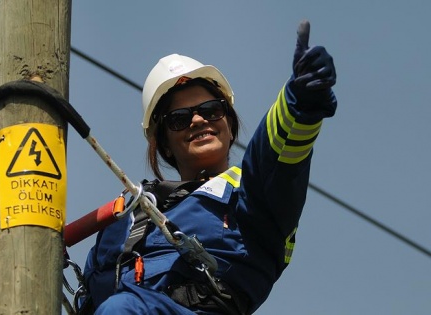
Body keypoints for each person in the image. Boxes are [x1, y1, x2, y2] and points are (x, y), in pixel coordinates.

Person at [82, 20, 337, 314]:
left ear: (229, 125)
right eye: (179, 118)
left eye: (211, 110)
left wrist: (298, 102)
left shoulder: (251, 194)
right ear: (164, 144)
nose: (199, 120)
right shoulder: (127, 217)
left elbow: (273, 156)